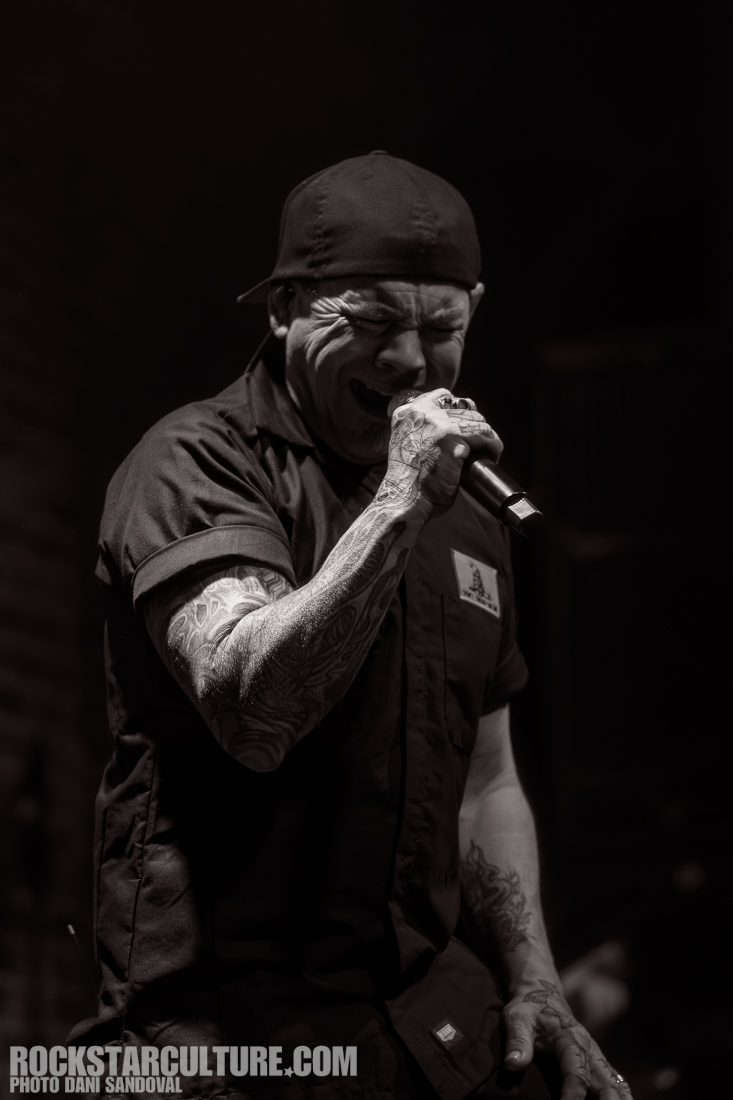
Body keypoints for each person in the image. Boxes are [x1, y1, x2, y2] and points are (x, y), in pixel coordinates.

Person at [71, 152, 631, 1100]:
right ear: (285, 308)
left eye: (443, 327)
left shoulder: (463, 512)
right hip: (228, 1037)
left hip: (421, 1019)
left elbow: (485, 779)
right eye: (371, 323)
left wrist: (535, 980)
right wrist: (400, 503)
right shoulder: (196, 462)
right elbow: (253, 711)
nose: (412, 361)